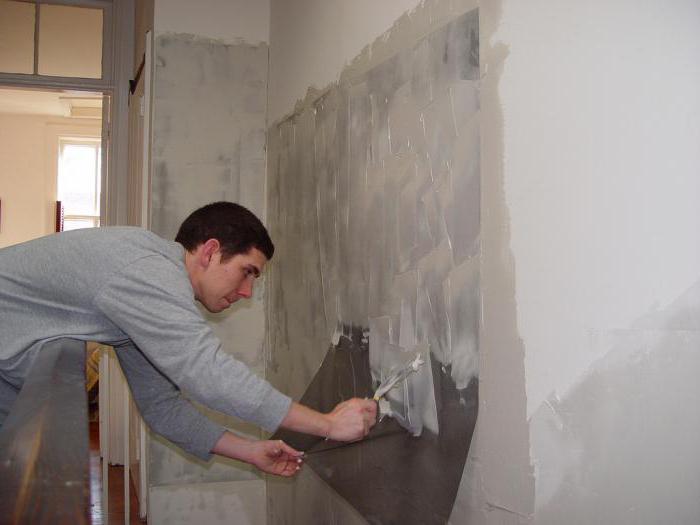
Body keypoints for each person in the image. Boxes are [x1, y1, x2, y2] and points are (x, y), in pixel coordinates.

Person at [0, 201, 376, 477]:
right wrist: (328, 424)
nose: (247, 292)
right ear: (210, 252)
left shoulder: (140, 296)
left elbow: (162, 408)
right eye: (246, 272)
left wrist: (250, 451)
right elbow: (208, 374)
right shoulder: (148, 273)